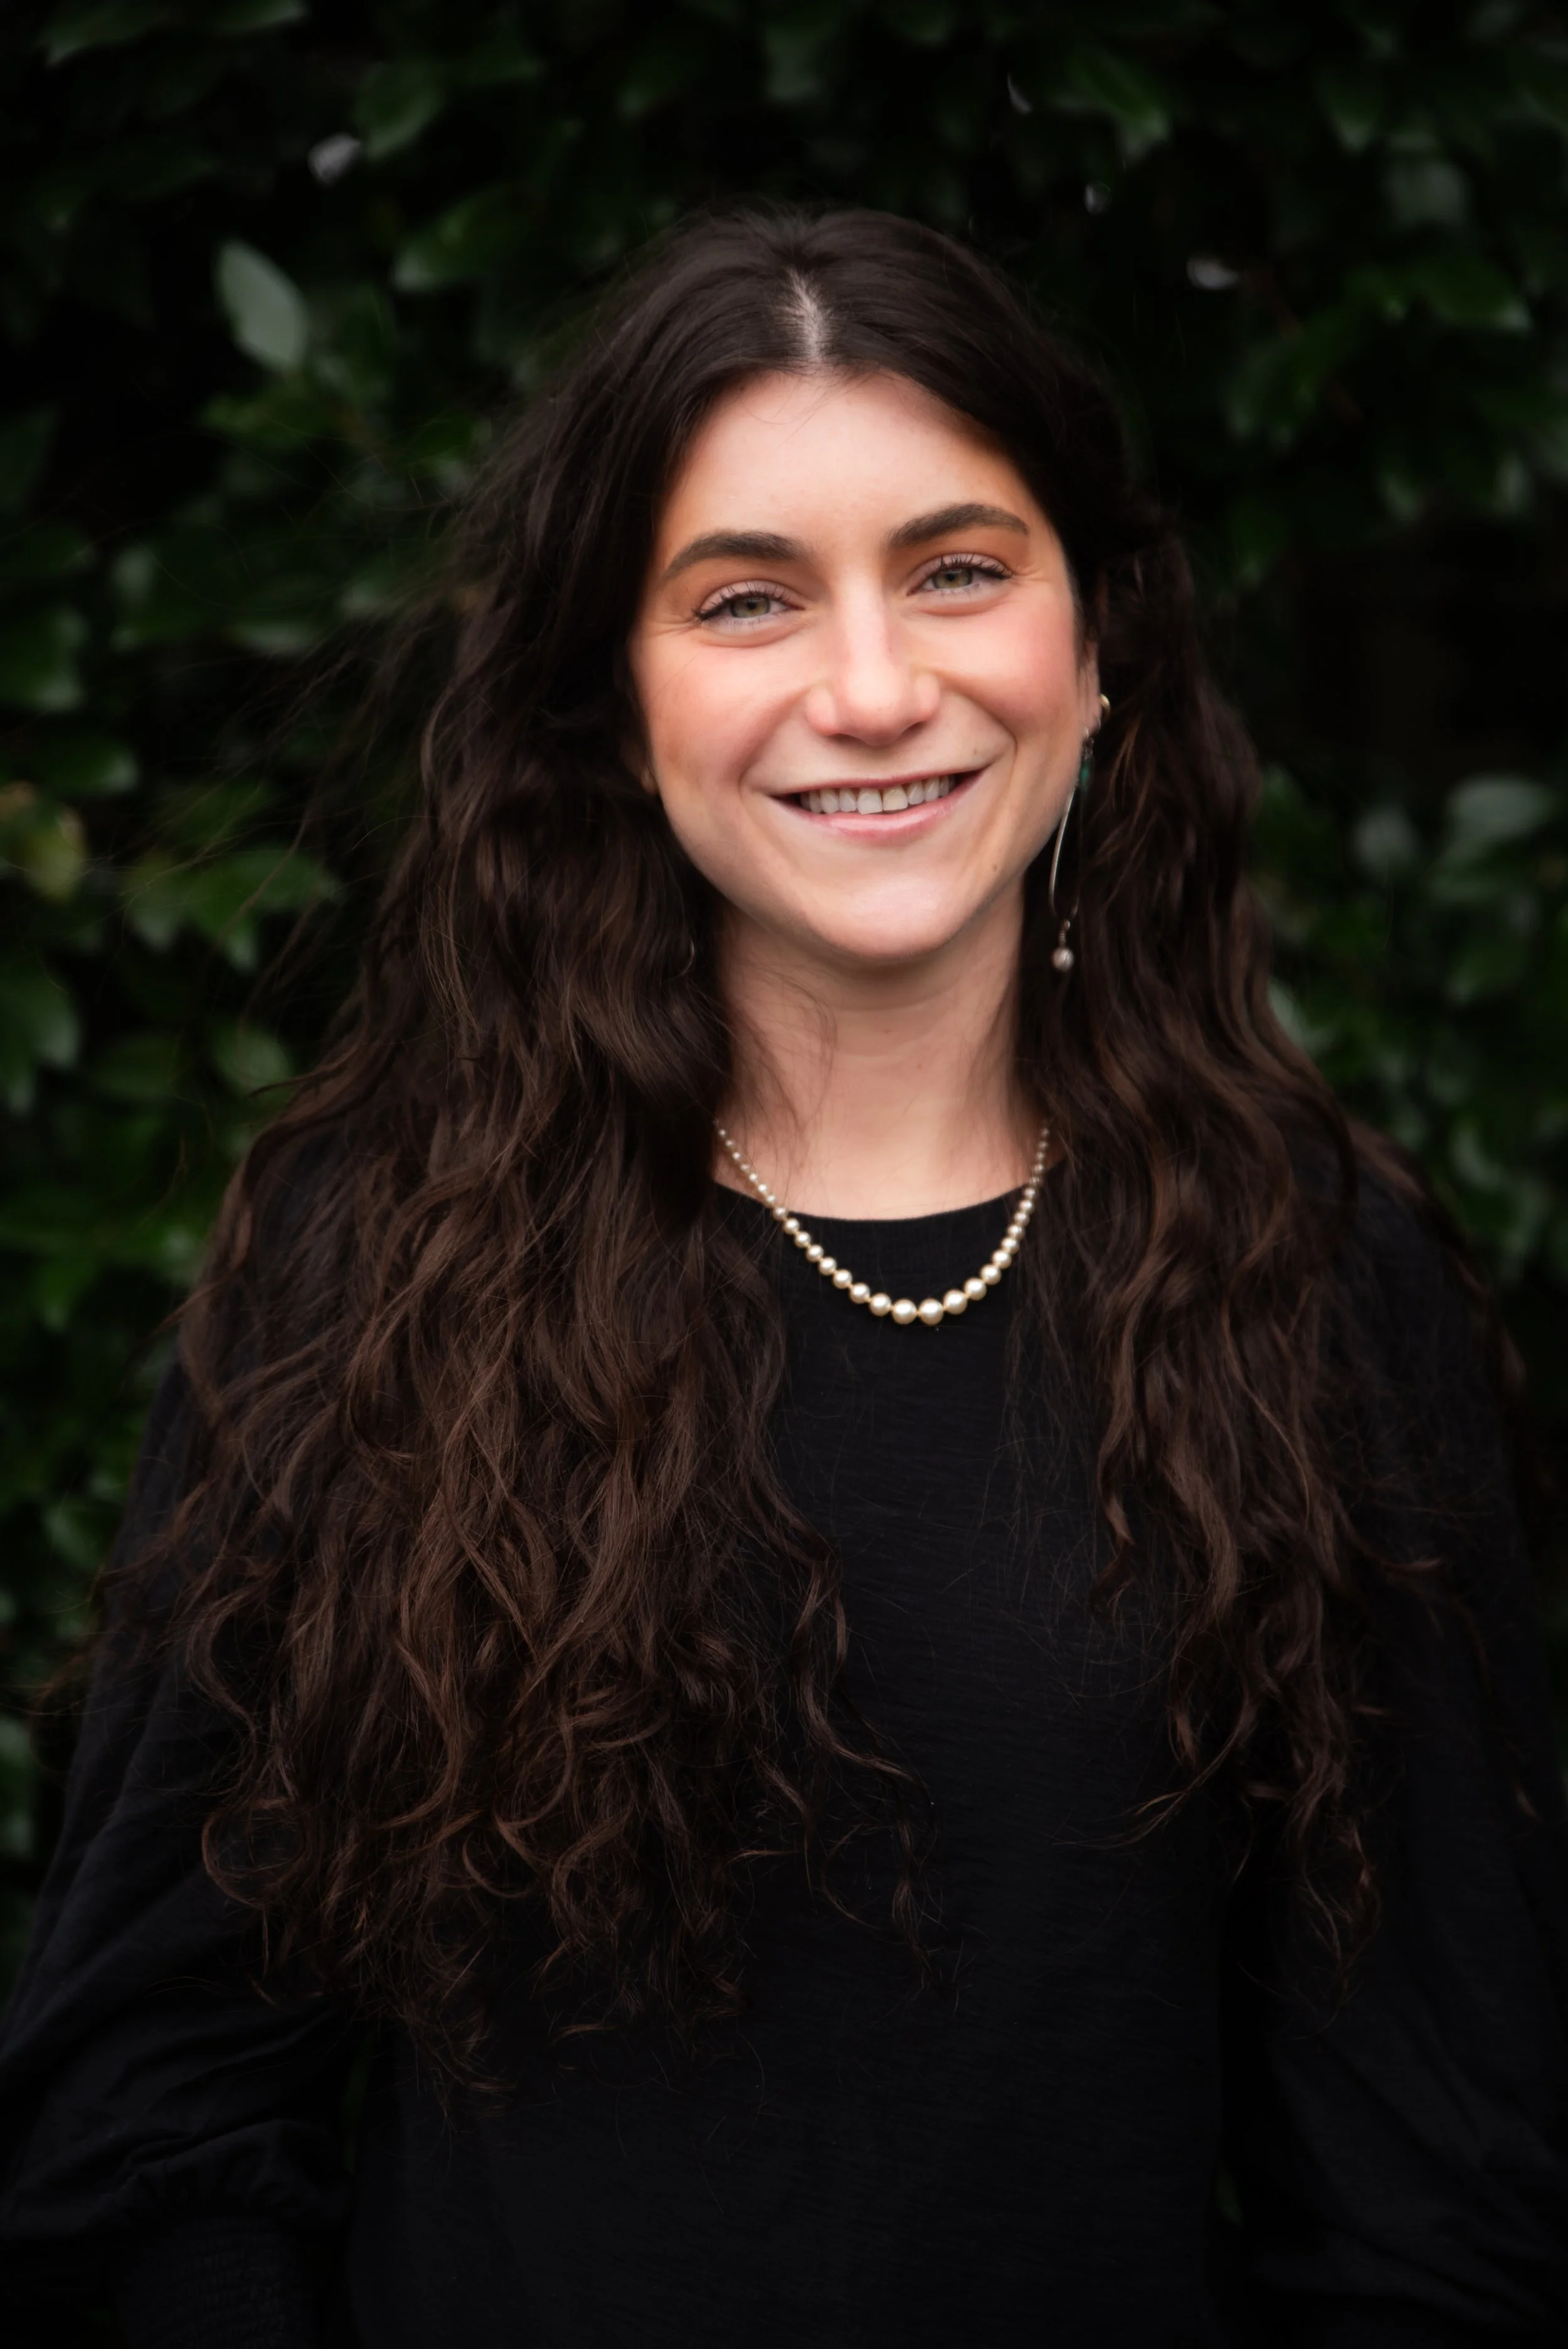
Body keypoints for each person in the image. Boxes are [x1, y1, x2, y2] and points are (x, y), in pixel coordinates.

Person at [1, 206, 1564, 2349]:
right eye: (745, 598)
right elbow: (157, 2120)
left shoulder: (1306, 1286)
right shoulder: (368, 1273)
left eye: (955, 569)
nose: (869, 686)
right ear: (608, 697)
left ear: (1091, 644)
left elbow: (1431, 2190)